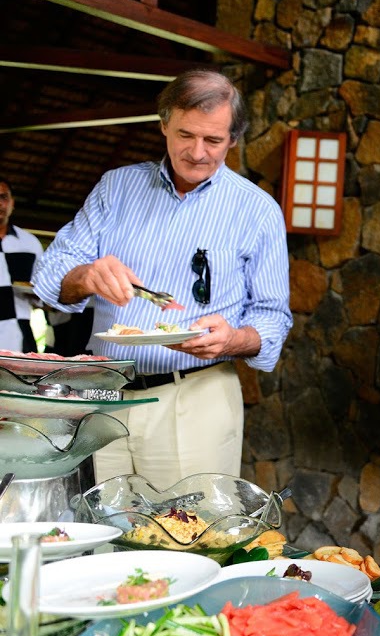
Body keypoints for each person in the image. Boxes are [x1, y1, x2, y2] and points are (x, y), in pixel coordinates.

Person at [33, 69, 293, 489]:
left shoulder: (257, 211)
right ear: (164, 126)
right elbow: (50, 278)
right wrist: (86, 276)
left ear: (233, 139)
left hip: (196, 394)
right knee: (106, 534)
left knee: (193, 534)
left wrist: (232, 339)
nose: (196, 152)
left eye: (213, 140)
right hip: (107, 391)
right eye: (185, 135)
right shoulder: (116, 188)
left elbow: (272, 319)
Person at [0, 178, 45, 352]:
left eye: (3, 197)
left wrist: (40, 294)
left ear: (12, 203)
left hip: (21, 329)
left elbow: (40, 286)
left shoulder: (29, 242)